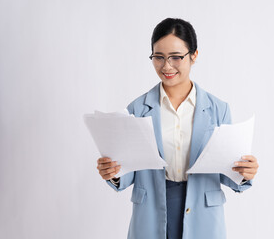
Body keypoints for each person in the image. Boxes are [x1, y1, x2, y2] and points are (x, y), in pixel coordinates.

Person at [96, 18, 259, 239]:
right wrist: (113, 173)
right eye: (159, 57)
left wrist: (244, 173)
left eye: (176, 57)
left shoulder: (218, 109)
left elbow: (229, 174)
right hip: (152, 211)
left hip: (203, 213)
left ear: (194, 56)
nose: (167, 66)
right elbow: (127, 173)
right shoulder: (137, 108)